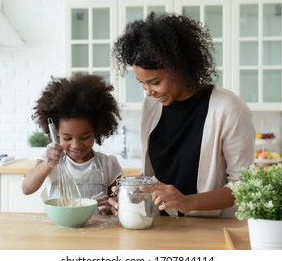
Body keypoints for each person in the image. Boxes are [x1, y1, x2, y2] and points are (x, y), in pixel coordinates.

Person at [109, 12, 256, 218]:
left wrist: (188, 202)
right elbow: (155, 177)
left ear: (181, 68)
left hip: (210, 232)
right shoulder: (151, 105)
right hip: (159, 226)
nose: (148, 91)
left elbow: (244, 188)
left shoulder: (229, 109)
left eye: (155, 82)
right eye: (141, 82)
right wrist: (130, 192)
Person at [22, 73, 123, 215]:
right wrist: (48, 164)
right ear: (56, 133)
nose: (76, 145)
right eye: (67, 138)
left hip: (97, 232)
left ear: (96, 131)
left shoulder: (108, 164)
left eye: (85, 137)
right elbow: (27, 188)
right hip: (60, 232)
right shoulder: (50, 160)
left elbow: (117, 203)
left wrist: (111, 206)